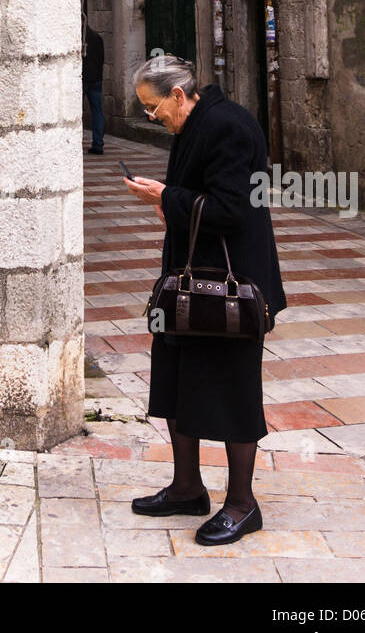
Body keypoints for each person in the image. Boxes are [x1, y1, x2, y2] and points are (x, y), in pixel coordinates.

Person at [122, 54, 287, 546]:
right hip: (188, 283)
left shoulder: (229, 127)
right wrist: (170, 203)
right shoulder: (193, 126)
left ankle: (242, 504)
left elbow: (232, 209)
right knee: (174, 375)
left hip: (232, 288)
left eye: (153, 108)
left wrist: (165, 197)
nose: (152, 118)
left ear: (178, 94)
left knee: (235, 388)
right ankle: (188, 487)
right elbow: (196, 197)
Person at [81, 21, 105, 155]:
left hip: (83, 78)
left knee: (76, 110)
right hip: (96, 79)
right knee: (97, 111)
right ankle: (98, 144)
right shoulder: (97, 37)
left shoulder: (79, 39)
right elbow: (102, 59)